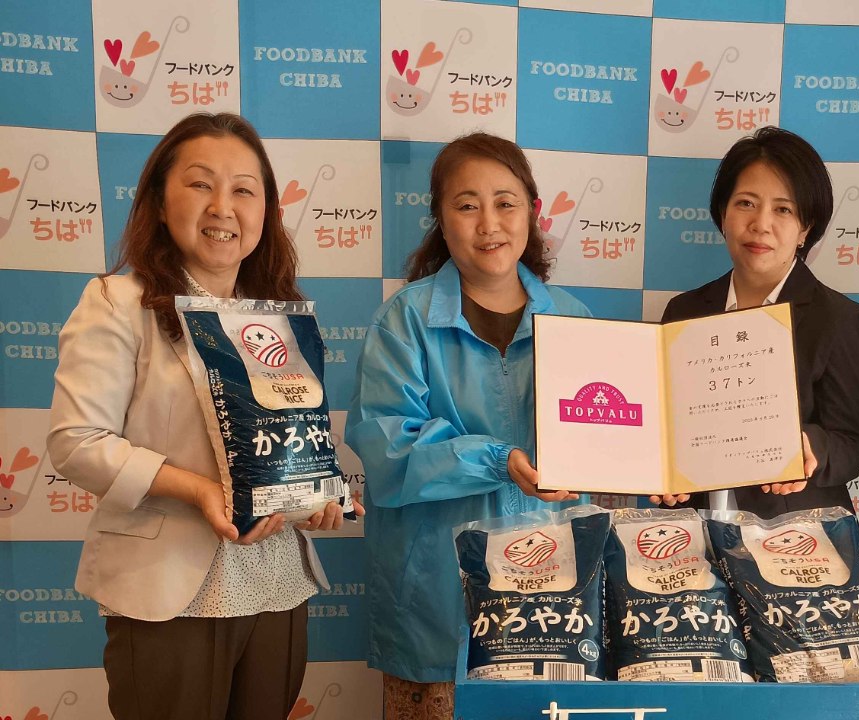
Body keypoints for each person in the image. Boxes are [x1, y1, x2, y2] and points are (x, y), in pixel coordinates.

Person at [46, 112, 359, 720]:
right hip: (167, 588)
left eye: (244, 190)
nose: (223, 207)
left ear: (266, 210)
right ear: (160, 202)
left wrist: (317, 496)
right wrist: (197, 489)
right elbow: (76, 442)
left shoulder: (279, 317)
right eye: (200, 184)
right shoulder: (118, 302)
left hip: (276, 582)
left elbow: (287, 445)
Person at [346, 132, 591, 720]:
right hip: (435, 604)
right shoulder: (403, 320)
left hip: (552, 601)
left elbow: (607, 444)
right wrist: (497, 459)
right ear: (440, 216)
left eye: (505, 203)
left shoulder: (576, 320)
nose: (489, 224)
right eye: (466, 205)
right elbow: (387, 449)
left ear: (532, 212)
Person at [658, 126, 859, 517]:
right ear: (723, 214)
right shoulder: (683, 312)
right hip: (697, 530)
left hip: (796, 536)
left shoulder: (839, 318)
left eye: (783, 209)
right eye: (746, 203)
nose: (760, 223)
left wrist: (810, 447)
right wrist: (661, 472)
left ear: (805, 229)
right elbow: (667, 428)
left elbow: (852, 446)